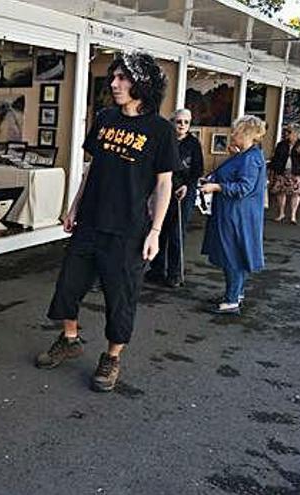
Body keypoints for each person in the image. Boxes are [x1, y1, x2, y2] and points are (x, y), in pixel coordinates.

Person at [35, 52, 176, 393]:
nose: (114, 84)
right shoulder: (105, 118)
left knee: (120, 297)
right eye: (114, 78)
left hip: (128, 230)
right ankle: (70, 338)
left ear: (142, 84)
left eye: (123, 79)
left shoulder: (160, 129)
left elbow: (163, 184)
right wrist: (73, 206)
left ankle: (112, 357)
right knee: (68, 286)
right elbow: (92, 169)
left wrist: (155, 232)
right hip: (90, 222)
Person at [200, 115, 267, 314]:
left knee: (232, 255)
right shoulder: (248, 155)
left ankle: (231, 300)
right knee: (237, 253)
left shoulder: (249, 158)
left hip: (236, 214)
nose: (232, 134)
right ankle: (235, 293)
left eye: (235, 131)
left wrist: (217, 186)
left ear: (245, 133)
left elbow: (244, 187)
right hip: (238, 212)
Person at [146, 108, 204, 287]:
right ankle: (157, 269)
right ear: (172, 122)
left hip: (184, 191)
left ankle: (175, 273)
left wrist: (187, 185)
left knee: (176, 232)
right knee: (160, 229)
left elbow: (198, 169)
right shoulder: (165, 140)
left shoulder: (193, 143)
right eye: (179, 121)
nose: (182, 125)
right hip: (164, 189)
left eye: (186, 122)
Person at [269, 123, 300, 225]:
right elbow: (276, 158)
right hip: (283, 171)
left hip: (297, 172)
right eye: (286, 131)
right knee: (280, 191)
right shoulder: (281, 144)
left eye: (289, 132)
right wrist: (272, 169)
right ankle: (281, 213)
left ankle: (293, 216)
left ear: (296, 133)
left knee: (296, 193)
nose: (286, 134)